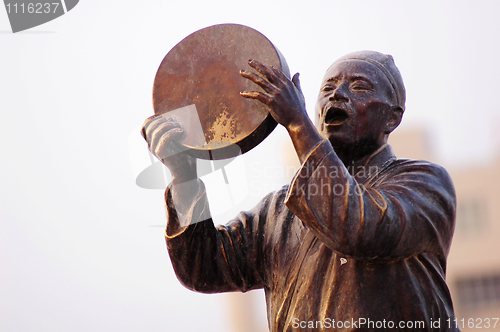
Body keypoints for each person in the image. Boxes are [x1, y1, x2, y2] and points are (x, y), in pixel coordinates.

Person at [142, 51, 460, 331]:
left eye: (359, 86)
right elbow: (204, 267)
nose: (337, 95)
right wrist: (184, 177)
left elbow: (358, 228)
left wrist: (297, 123)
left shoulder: (424, 184)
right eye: (327, 88)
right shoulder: (278, 210)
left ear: (393, 117)